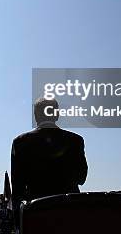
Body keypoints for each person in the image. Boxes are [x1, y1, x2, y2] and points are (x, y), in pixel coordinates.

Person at [10, 97, 88, 228]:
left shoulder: (20, 142)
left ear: (35, 116)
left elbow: (17, 187)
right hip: (69, 212)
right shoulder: (75, 140)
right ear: (56, 115)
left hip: (36, 214)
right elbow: (81, 178)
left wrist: (19, 222)